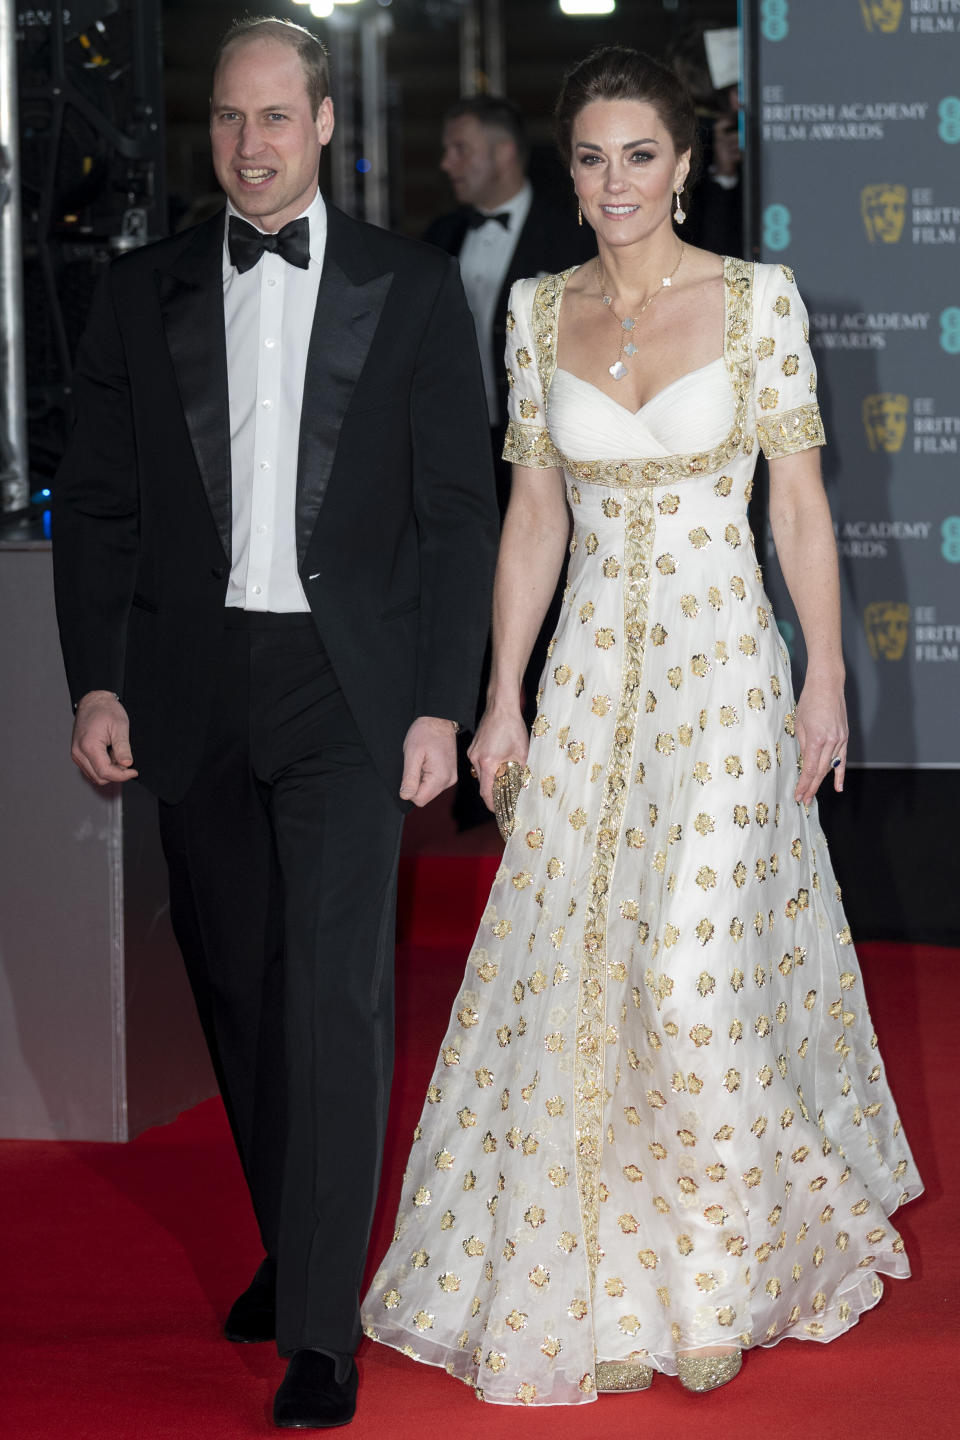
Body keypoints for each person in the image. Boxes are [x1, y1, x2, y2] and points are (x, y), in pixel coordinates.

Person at [362, 45, 921, 1405]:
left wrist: (825, 676)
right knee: (586, 972)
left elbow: (796, 504)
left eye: (643, 156)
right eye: (595, 158)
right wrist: (503, 695)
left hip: (728, 670)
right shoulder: (539, 313)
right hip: (596, 679)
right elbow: (534, 521)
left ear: (686, 163)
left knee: (686, 972)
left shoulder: (755, 302)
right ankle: (617, 1266)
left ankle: (724, 1271)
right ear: (574, 167)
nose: (616, 182)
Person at [53, 16, 498, 1431]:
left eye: (273, 119)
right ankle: (293, 1238)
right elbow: (102, 508)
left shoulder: (412, 289)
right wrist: (100, 676)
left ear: (322, 125)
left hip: (347, 688)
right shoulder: (141, 293)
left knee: (338, 993)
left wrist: (443, 697)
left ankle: (322, 1325)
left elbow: (454, 514)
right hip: (193, 683)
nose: (248, 146)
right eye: (227, 121)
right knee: (239, 987)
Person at [426, 97, 595, 821]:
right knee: (468, 594)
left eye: (460, 147)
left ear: (504, 152)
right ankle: (476, 773)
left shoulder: (574, 233)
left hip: (551, 453)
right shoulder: (437, 236)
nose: (446, 163)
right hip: (459, 453)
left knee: (548, 596)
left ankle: (555, 758)